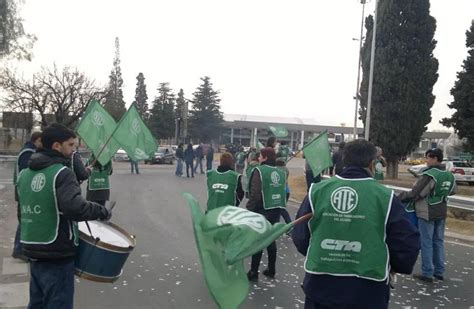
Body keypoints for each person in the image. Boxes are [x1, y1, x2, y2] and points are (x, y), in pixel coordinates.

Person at [292, 140, 420, 308]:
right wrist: (394, 266)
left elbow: (301, 235)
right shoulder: (386, 197)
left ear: (344, 160)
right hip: (368, 288)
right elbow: (406, 241)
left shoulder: (317, 191)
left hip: (321, 284)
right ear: (372, 163)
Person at [16, 123, 111, 309]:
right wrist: (101, 211)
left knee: (37, 302)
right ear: (56, 146)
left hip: (32, 247)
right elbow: (75, 209)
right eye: (70, 145)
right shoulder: (62, 173)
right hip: (57, 252)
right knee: (58, 303)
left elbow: (22, 210)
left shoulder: (25, 174)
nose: (74, 150)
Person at [398, 148, 455, 283]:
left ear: (435, 159)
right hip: (441, 210)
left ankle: (427, 272)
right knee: (438, 241)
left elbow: (416, 193)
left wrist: (399, 198)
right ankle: (439, 271)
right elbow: (452, 191)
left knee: (426, 242)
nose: (426, 160)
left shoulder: (430, 174)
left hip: (427, 211)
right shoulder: (449, 175)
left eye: (428, 158)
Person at [246, 147, 287, 281]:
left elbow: (255, 192)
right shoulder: (281, 172)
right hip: (276, 208)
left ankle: (253, 271)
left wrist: (249, 209)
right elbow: (284, 192)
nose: (258, 158)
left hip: (262, 208)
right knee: (270, 237)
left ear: (265, 158)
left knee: (259, 239)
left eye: (261, 156)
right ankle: (271, 268)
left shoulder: (259, 171)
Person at [12, 131, 42, 261]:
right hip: (23, 191)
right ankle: (18, 249)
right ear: (37, 140)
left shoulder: (29, 151)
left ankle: (20, 249)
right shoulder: (28, 153)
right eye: (42, 141)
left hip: (23, 191)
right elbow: (27, 173)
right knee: (25, 220)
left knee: (26, 219)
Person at [276, 158, 292, 224]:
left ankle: (290, 225)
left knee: (280, 209)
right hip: (286, 191)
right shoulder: (286, 169)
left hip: (280, 191)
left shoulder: (276, 169)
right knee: (279, 209)